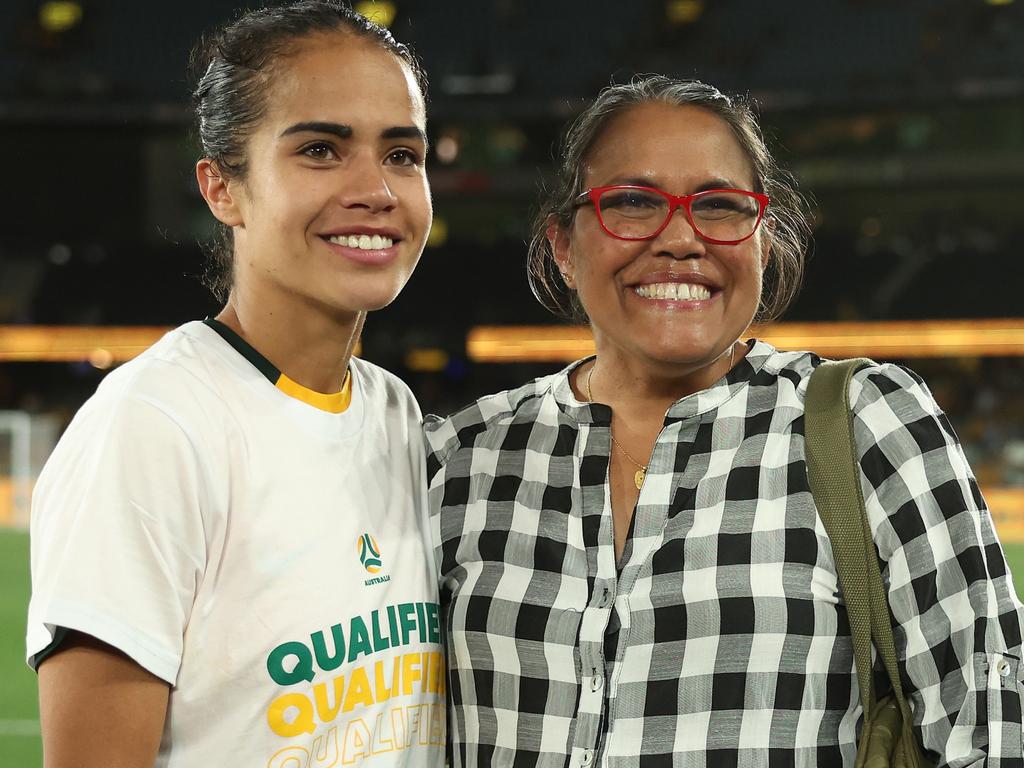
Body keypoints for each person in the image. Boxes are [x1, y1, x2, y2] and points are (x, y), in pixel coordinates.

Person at [426, 76, 1024, 767]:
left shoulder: (867, 425)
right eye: (632, 202)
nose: (681, 238)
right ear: (562, 244)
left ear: (763, 243)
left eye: (719, 206)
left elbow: (994, 728)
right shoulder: (461, 460)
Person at [26, 3, 444, 766]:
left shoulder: (392, 410)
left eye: (403, 155)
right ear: (222, 188)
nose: (375, 189)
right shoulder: (154, 424)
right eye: (321, 149)